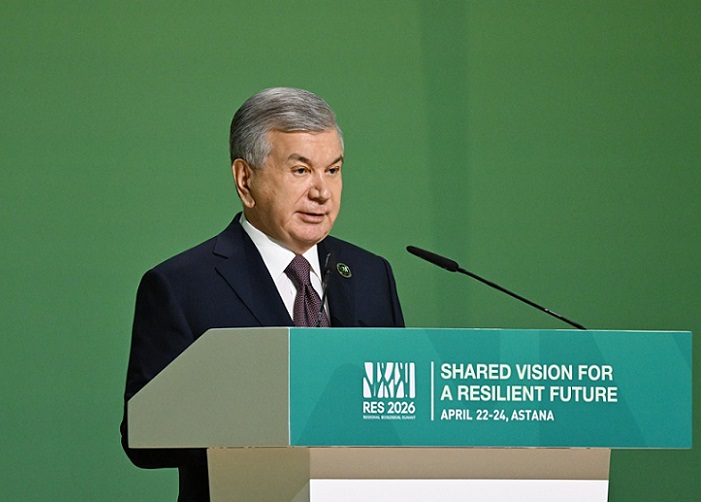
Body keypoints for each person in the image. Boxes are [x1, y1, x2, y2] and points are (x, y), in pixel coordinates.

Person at [120, 87, 405, 500]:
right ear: (245, 179)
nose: (322, 192)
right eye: (301, 170)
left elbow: (399, 411)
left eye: (333, 170)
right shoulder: (180, 286)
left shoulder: (371, 274)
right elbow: (142, 438)